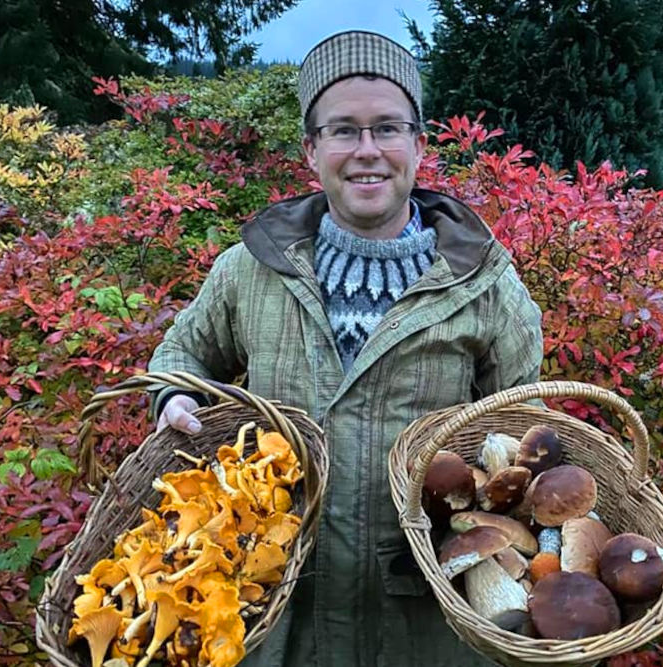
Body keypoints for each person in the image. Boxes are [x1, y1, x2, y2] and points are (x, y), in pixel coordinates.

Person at [148, 30, 544, 667]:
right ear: (311, 149)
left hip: (424, 613)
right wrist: (175, 399)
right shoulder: (250, 270)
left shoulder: (486, 282)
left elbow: (517, 437)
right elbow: (182, 355)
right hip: (275, 603)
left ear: (419, 145)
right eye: (343, 130)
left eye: (387, 128)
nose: (367, 151)